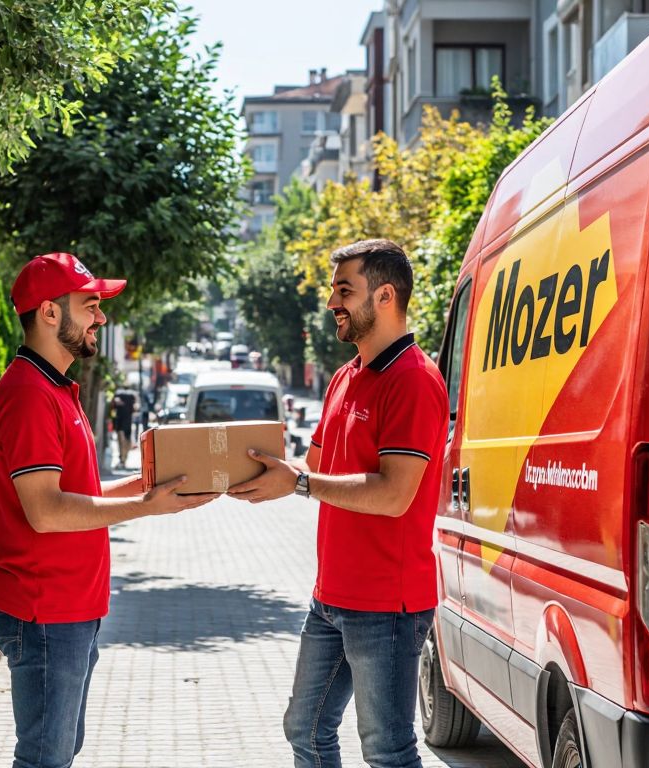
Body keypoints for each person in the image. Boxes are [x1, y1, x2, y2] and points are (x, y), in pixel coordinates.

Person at [0, 252, 218, 768]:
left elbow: (74, 492)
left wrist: (141, 485)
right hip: (44, 609)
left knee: (59, 751)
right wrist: (144, 506)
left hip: (69, 609)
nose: (101, 317)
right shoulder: (28, 394)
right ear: (49, 313)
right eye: (90, 305)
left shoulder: (55, 388)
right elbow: (45, 511)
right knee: (46, 757)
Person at [228, 239, 448, 768]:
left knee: (387, 751)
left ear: (386, 295)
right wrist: (250, 472)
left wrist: (299, 485)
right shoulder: (346, 377)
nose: (332, 303)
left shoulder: (414, 381)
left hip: (386, 606)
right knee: (304, 727)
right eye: (334, 290)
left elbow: (394, 495)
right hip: (331, 596)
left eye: (344, 290)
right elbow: (315, 468)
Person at [110, 389, 136, 469]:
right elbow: (135, 408)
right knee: (127, 441)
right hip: (128, 422)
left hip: (120, 422)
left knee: (121, 442)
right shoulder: (132, 395)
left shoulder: (118, 394)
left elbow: (113, 405)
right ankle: (124, 460)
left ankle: (122, 459)